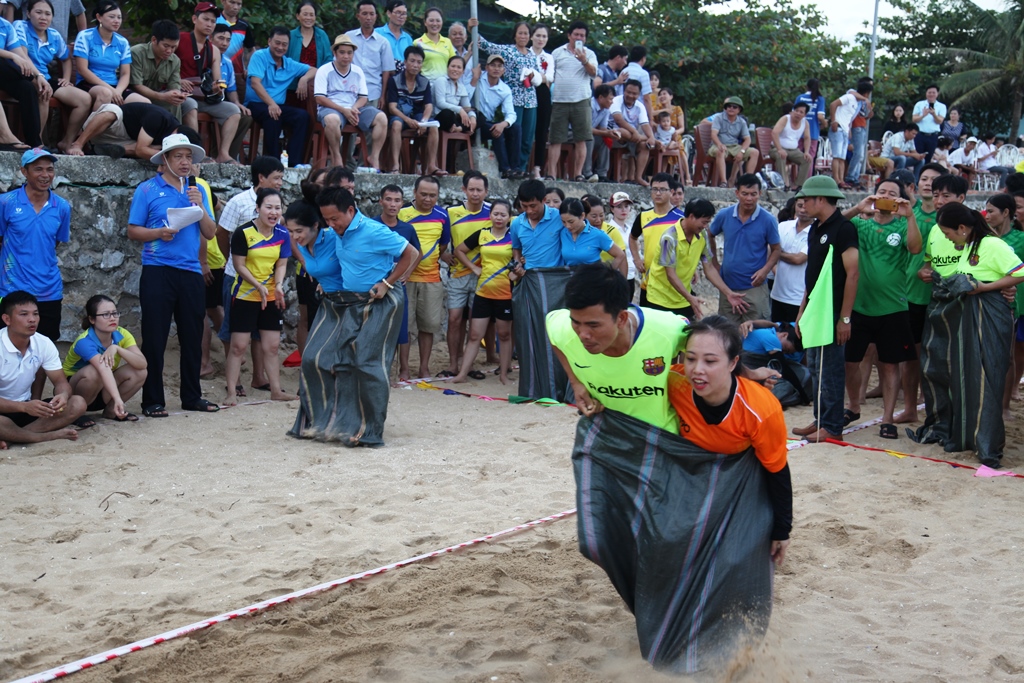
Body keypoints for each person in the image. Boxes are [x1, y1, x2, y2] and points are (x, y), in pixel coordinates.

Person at [547, 266, 786, 671]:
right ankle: (653, 607)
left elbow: (711, 349)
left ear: (621, 317)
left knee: (665, 545)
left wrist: (747, 374)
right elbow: (558, 337)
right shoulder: (562, 326)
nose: (582, 334)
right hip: (606, 438)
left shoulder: (667, 330)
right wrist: (575, 380)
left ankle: (671, 618)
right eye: (577, 323)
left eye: (593, 325)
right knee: (596, 541)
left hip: (665, 447)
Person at [289, 186, 418, 446]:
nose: (331, 224)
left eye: (334, 218)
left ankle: (370, 432)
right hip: (349, 301)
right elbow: (332, 261)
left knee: (368, 363)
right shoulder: (336, 233)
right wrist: (324, 281)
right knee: (319, 358)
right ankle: (328, 423)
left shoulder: (374, 231)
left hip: (380, 300)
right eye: (326, 219)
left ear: (351, 210)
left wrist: (389, 282)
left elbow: (411, 254)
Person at [914, 202, 1024, 467]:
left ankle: (987, 444)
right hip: (971, 315)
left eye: (948, 232)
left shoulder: (992, 244)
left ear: (962, 228)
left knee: (987, 376)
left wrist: (987, 287)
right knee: (970, 377)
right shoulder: (968, 247)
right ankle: (971, 437)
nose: (947, 237)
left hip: (990, 314)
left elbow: (1020, 272)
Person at [127, 134, 220, 417]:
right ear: (164, 159)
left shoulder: (197, 190)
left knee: (192, 336)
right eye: (178, 156)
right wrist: (159, 233)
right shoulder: (146, 190)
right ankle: (152, 400)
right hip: (158, 269)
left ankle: (192, 396)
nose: (185, 162)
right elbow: (133, 230)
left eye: (188, 157)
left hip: (190, 271)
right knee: (154, 337)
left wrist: (200, 206)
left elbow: (210, 232)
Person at [840, 179, 921, 439]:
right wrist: (858, 207)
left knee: (889, 365)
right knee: (851, 362)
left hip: (893, 307)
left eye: (893, 194)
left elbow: (915, 248)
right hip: (859, 306)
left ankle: (887, 419)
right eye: (882, 192)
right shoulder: (859, 224)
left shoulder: (902, 225)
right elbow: (831, 226)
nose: (886, 196)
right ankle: (853, 406)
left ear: (901, 199)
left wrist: (909, 217)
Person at [792, 176, 859, 443]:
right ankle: (821, 418)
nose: (803, 204)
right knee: (818, 368)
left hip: (832, 310)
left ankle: (832, 425)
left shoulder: (844, 229)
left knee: (830, 369)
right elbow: (813, 274)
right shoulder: (815, 228)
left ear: (820, 199)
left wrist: (845, 318)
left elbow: (852, 274)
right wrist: (801, 311)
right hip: (815, 309)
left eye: (806, 199)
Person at [216, 156, 283, 395]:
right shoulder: (238, 202)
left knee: (261, 332)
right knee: (235, 332)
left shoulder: (275, 205)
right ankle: (234, 384)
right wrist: (232, 261)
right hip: (237, 276)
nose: (279, 182)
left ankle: (258, 377)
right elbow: (222, 234)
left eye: (281, 178)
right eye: (276, 178)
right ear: (261, 177)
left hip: (266, 280)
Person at [223, 188, 295, 407]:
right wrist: (258, 286)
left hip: (272, 296)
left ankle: (276, 390)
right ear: (258, 209)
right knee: (238, 346)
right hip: (245, 294)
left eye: (278, 208)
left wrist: (278, 285)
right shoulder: (243, 233)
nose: (274, 212)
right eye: (269, 207)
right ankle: (232, 392)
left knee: (272, 347)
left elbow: (281, 264)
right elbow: (238, 265)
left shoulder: (282, 234)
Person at [0, 147, 69, 342]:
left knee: (44, 349)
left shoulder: (62, 207)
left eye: (50, 169)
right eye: (38, 169)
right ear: (24, 172)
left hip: (48, 291)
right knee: (6, 349)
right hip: (11, 289)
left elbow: (53, 243)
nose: (45, 175)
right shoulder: (6, 203)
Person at [0, 291, 86, 445]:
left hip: (28, 409)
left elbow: (60, 382)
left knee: (77, 403)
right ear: (7, 319)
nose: (32, 319)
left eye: (35, 314)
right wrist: (24, 407)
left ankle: (13, 436)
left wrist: (63, 396)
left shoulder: (43, 343)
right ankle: (44, 436)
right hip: (8, 410)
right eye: (24, 314)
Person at [452, 197, 516, 384]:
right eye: (495, 214)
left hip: (505, 294)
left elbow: (525, 257)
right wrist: (473, 268)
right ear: (490, 215)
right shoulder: (482, 234)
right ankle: (462, 374)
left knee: (504, 335)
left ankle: (504, 374)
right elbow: (459, 250)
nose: (499, 217)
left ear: (509, 217)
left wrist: (517, 273)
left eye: (503, 214)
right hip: (483, 293)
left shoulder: (515, 236)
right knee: (474, 335)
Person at [15, 0, 91, 152]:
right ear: (28, 14)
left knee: (84, 99)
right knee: (44, 92)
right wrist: (38, 76)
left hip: (47, 78)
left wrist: (67, 79)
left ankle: (67, 142)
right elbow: (23, 55)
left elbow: (66, 58)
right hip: (25, 74)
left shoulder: (54, 35)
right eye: (38, 12)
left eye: (48, 14)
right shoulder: (20, 26)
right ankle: (38, 143)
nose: (43, 17)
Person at [175, 2, 244, 164]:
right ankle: (196, 153)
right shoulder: (180, 39)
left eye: (213, 21)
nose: (209, 24)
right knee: (190, 104)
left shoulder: (213, 50)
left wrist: (217, 88)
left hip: (201, 96)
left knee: (233, 110)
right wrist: (178, 80)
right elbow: (165, 67)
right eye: (205, 19)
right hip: (181, 95)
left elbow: (217, 81)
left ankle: (223, 154)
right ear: (194, 19)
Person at [707, 174, 781, 323]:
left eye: (753, 194)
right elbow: (709, 235)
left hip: (755, 287)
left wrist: (765, 270)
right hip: (728, 287)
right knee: (727, 333)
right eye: (745, 194)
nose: (749, 199)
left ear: (760, 194)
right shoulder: (724, 215)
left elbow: (776, 249)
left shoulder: (768, 220)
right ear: (737, 193)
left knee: (757, 333)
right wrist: (714, 262)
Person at [62, 294, 147, 422]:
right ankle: (76, 413)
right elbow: (103, 368)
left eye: (115, 313)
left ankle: (112, 411)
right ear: (92, 319)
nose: (112, 318)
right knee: (94, 371)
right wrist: (118, 398)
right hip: (75, 390)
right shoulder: (84, 341)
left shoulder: (122, 333)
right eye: (105, 314)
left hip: (102, 388)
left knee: (140, 371)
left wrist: (117, 349)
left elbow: (142, 363)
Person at [399, 175, 451, 378]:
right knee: (405, 327)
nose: (428, 199)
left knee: (428, 326)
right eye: (423, 194)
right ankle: (404, 369)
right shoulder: (402, 213)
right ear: (414, 193)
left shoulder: (443, 215)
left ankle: (424, 367)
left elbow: (444, 244)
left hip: (432, 279)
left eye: (433, 195)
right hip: (405, 279)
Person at [314, 33, 387, 170]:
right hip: (332, 108)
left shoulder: (357, 71)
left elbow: (363, 97)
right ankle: (336, 156)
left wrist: (353, 108)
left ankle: (374, 156)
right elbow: (320, 98)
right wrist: (343, 110)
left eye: (349, 53)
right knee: (332, 120)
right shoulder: (324, 70)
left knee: (381, 117)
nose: (346, 56)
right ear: (335, 53)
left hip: (354, 109)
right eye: (342, 52)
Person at [245, 26, 316, 163]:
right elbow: (255, 83)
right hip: (257, 104)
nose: (280, 47)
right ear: (269, 41)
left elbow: (314, 70)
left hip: (278, 106)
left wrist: (304, 79)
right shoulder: (259, 56)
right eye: (277, 43)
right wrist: (271, 103)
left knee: (302, 116)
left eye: (284, 44)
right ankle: (273, 162)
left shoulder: (289, 63)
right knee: (274, 116)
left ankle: (294, 162)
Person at [442, 171, 489, 377]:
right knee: (454, 319)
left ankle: (469, 364)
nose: (475, 194)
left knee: (474, 321)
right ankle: (454, 363)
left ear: (486, 191)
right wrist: (443, 254)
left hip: (483, 275)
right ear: (464, 190)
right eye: (471, 189)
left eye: (479, 190)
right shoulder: (450, 213)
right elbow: (438, 237)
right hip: (457, 274)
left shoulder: (492, 212)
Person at [645, 198, 724, 319]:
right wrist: (690, 298)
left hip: (683, 298)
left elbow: (709, 268)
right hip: (660, 299)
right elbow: (670, 274)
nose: (705, 226)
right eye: (703, 222)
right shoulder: (670, 237)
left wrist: (728, 293)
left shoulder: (702, 235)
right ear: (691, 216)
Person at [374, 184, 420, 381]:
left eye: (397, 200)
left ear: (403, 203)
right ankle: (379, 370)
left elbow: (417, 253)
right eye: (389, 199)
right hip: (375, 283)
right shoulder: (372, 225)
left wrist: (407, 272)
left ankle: (403, 369)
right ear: (381, 201)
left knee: (402, 327)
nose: (392, 204)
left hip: (398, 285)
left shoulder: (407, 229)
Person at [478, 21, 537, 175]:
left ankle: (520, 169)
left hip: (530, 99)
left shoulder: (532, 54)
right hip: (514, 97)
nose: (523, 36)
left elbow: (538, 77)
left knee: (527, 138)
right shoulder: (508, 51)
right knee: (512, 134)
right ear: (515, 35)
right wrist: (473, 28)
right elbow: (486, 45)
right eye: (520, 33)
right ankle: (509, 168)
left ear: (530, 37)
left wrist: (536, 76)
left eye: (526, 33)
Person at [986, 193, 1024, 419]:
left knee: (1008, 356)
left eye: (991, 211)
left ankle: (1004, 405)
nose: (987, 215)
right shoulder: (982, 237)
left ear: (1006, 213)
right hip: (984, 301)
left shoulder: (1020, 239)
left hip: (1011, 303)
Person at [545, 20, 597, 181]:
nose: (578, 37)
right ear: (569, 35)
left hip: (581, 100)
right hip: (559, 100)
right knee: (555, 139)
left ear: (585, 38)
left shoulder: (589, 54)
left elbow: (594, 73)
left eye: (582, 35)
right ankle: (551, 175)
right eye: (576, 34)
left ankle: (578, 174)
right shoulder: (557, 53)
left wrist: (583, 60)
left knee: (581, 139)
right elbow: (549, 75)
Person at [384, 44, 442, 175]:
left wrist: (424, 121)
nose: (415, 65)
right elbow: (392, 107)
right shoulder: (395, 81)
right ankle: (395, 166)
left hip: (417, 115)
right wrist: (407, 120)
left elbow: (428, 106)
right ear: (405, 62)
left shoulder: (424, 82)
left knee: (433, 126)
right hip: (400, 115)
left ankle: (431, 166)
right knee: (396, 124)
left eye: (419, 62)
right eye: (412, 61)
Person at [627, 173, 684, 305]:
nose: (658, 193)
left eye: (662, 190)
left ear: (672, 192)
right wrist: (636, 258)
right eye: (654, 189)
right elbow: (632, 237)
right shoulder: (643, 216)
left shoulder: (681, 218)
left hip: (674, 282)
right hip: (649, 282)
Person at [73, 0, 136, 111]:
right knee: (105, 94)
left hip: (115, 86)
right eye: (112, 17)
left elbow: (125, 74)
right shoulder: (85, 36)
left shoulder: (123, 42)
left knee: (144, 102)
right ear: (99, 17)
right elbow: (82, 69)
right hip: (89, 84)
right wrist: (110, 90)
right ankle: (90, 128)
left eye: (119, 17)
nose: (116, 21)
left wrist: (118, 91)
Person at [129, 20, 188, 122]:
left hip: (155, 98)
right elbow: (137, 86)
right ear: (154, 40)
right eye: (166, 46)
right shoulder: (137, 53)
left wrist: (177, 95)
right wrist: (162, 97)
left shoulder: (175, 60)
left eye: (173, 47)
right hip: (133, 97)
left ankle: (174, 135)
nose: (169, 51)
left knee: (174, 103)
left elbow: (174, 85)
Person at [475, 53, 520, 178]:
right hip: (475, 119)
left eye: (499, 66)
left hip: (488, 121)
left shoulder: (504, 89)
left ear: (503, 70)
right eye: (493, 65)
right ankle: (505, 169)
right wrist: (474, 78)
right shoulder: (478, 78)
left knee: (515, 128)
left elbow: (511, 113)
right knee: (496, 130)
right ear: (487, 67)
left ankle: (514, 168)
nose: (496, 69)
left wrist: (503, 123)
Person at [346, 0, 394, 112]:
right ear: (358, 16)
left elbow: (386, 71)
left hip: (373, 93)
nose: (368, 17)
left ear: (376, 16)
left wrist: (382, 96)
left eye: (372, 14)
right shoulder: (348, 37)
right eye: (364, 14)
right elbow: (338, 63)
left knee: (372, 126)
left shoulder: (383, 42)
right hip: (349, 91)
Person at [770, 197, 812, 323]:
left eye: (806, 206)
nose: (802, 210)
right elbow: (769, 251)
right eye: (799, 206)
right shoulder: (783, 226)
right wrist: (775, 265)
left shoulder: (817, 231)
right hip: (777, 293)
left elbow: (798, 259)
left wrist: (777, 253)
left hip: (799, 297)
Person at [559, 198, 626, 273]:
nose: (567, 226)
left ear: (582, 216)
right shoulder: (563, 233)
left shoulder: (597, 235)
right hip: (571, 281)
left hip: (593, 281)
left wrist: (606, 274)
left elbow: (620, 255)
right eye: (564, 222)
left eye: (571, 222)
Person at [284, 0, 331, 108]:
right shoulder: (290, 35)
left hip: (316, 86)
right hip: (292, 86)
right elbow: (284, 60)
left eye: (311, 15)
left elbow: (328, 60)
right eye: (305, 14)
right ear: (297, 16)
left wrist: (307, 78)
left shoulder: (321, 35)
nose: (308, 18)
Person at [610, 79, 655, 186]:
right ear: (624, 91)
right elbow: (618, 119)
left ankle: (638, 177)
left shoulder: (640, 106)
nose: (630, 95)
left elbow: (645, 124)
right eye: (628, 92)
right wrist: (636, 133)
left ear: (639, 94)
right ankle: (642, 137)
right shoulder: (616, 100)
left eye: (634, 93)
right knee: (622, 131)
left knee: (645, 145)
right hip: (615, 135)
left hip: (633, 139)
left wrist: (651, 137)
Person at [828, 79, 871, 189]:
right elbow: (833, 104)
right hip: (838, 128)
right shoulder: (850, 96)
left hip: (845, 129)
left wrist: (849, 129)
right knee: (837, 156)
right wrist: (834, 121)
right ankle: (836, 180)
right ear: (866, 93)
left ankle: (841, 180)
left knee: (842, 157)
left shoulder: (857, 103)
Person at [708, 96, 759, 188]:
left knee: (754, 152)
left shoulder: (741, 122)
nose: (731, 108)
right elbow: (714, 134)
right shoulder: (719, 118)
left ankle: (747, 181)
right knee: (720, 151)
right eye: (729, 106)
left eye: (734, 107)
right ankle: (724, 181)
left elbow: (747, 139)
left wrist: (742, 151)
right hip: (718, 145)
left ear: (739, 110)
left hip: (734, 146)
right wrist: (720, 144)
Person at [770, 101, 812, 191]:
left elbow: (807, 138)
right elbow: (774, 132)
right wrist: (779, 149)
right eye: (796, 110)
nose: (798, 113)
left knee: (806, 159)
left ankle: (798, 185)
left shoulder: (806, 123)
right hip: (777, 148)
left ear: (805, 115)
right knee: (780, 156)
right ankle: (783, 183)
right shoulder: (785, 119)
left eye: (801, 112)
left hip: (793, 150)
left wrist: (806, 152)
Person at [529, 23, 553, 178]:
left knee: (541, 131)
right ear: (531, 36)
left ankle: (537, 167)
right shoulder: (526, 53)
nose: (540, 39)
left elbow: (550, 77)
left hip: (543, 94)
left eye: (544, 36)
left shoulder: (548, 57)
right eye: (538, 35)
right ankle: (521, 164)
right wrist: (541, 78)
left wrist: (535, 77)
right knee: (526, 129)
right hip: (526, 91)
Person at [431, 54, 475, 135]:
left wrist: (472, 117)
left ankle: (458, 128)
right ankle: (462, 128)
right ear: (448, 67)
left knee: (478, 114)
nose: (455, 69)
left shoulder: (461, 86)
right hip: (440, 118)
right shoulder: (441, 81)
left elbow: (467, 107)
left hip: (454, 119)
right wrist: (459, 109)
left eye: (459, 67)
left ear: (463, 71)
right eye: (453, 66)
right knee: (448, 113)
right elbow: (440, 103)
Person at [3, 0, 84, 42]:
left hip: (59, 45)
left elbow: (79, 11)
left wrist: (83, 41)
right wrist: (8, 37)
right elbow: (10, 6)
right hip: (29, 44)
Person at [606, 191, 636, 299]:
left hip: (631, 275)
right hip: (616, 276)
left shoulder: (630, 229)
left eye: (626, 206)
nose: (623, 210)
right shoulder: (608, 230)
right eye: (619, 207)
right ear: (612, 209)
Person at [412, 6, 453, 80]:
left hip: (444, 87)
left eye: (438, 20)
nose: (435, 24)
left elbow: (454, 64)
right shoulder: (417, 43)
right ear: (425, 22)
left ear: (442, 22)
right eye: (431, 20)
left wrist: (469, 52)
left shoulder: (448, 42)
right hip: (425, 86)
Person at [374, 0, 412, 72]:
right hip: (382, 74)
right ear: (389, 13)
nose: (401, 16)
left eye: (404, 14)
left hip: (402, 77)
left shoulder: (408, 38)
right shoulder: (377, 33)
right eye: (398, 12)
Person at [911, 85, 946, 163]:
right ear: (926, 93)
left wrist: (934, 114)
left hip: (932, 136)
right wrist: (923, 115)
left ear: (937, 94)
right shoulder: (919, 104)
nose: (931, 94)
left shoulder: (942, 106)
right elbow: (914, 119)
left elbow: (940, 121)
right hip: (919, 135)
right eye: (929, 92)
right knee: (918, 158)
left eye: (933, 92)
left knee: (928, 158)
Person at [794, 77, 827, 158]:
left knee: (795, 158)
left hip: (799, 132)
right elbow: (820, 116)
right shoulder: (820, 99)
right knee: (809, 158)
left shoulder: (800, 97)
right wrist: (824, 123)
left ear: (806, 87)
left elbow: (793, 114)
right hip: (813, 132)